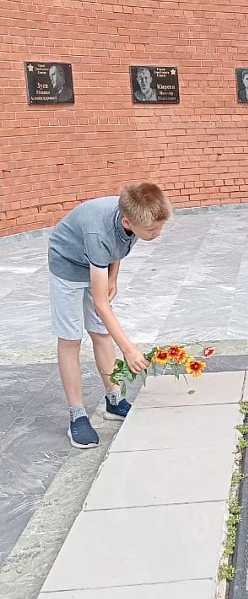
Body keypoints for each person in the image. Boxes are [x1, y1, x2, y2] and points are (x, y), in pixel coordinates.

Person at [48, 184, 172, 448]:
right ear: (128, 221)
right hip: (67, 264)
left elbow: (117, 246)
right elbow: (102, 305)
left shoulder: (135, 215)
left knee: (101, 332)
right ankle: (77, 415)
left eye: (160, 227)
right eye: (152, 230)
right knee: (70, 338)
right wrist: (128, 350)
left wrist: (113, 277)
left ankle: (113, 401)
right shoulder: (99, 233)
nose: (157, 234)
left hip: (96, 262)